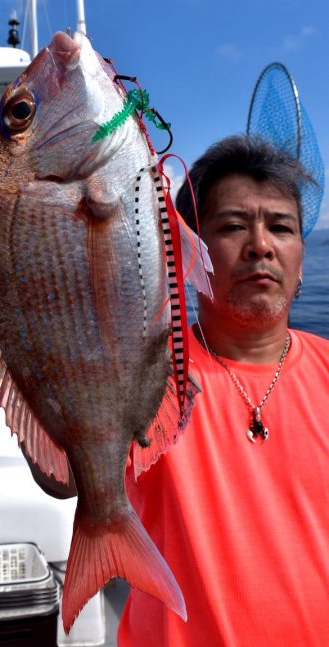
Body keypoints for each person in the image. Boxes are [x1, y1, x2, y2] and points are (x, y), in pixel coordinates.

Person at [117, 135, 329, 646]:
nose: (261, 245)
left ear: (301, 261)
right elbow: (58, 479)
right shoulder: (144, 368)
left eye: (281, 227)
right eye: (233, 226)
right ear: (189, 251)